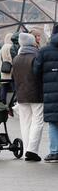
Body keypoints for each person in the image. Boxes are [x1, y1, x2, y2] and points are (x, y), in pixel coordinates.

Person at [13, 33, 44, 162]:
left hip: (21, 93)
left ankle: (27, 149)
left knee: (25, 123)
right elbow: (39, 74)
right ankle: (32, 150)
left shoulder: (16, 58)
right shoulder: (36, 56)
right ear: (32, 42)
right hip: (36, 93)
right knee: (38, 121)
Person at [34, 26, 58, 162]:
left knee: (54, 123)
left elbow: (36, 71)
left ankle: (55, 152)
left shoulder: (44, 51)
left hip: (50, 92)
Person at [0, 33, 14, 103]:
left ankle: (3, 102)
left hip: (3, 71)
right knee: (14, 87)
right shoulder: (9, 47)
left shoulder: (2, 48)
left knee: (4, 87)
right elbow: (11, 58)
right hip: (10, 71)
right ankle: (14, 101)